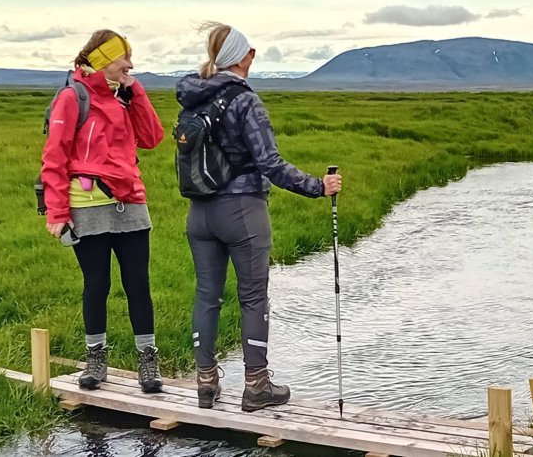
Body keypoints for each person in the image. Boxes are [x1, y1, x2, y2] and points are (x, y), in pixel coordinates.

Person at [175, 22, 343, 412]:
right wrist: (318, 186)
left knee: (206, 296)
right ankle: (256, 386)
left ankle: (205, 382)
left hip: (199, 213)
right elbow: (270, 162)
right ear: (241, 57)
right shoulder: (245, 101)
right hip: (242, 212)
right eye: (251, 52)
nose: (254, 57)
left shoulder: (193, 98)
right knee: (253, 299)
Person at [41, 30, 165, 392]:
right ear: (103, 59)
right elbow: (54, 157)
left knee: (138, 285)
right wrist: (57, 212)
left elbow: (153, 138)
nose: (131, 64)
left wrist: (136, 92)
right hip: (87, 208)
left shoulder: (125, 97)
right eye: (124, 57)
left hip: (132, 203)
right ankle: (96, 360)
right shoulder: (72, 98)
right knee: (97, 285)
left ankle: (148, 362)